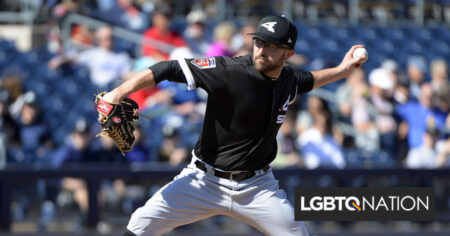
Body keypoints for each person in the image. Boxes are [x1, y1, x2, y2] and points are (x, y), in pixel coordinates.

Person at [97, 15, 366, 236]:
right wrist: (117, 94)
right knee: (139, 225)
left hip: (257, 187)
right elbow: (167, 68)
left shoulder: (290, 77)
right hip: (203, 180)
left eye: (271, 45)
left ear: (288, 54)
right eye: (259, 42)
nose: (262, 49)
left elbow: (311, 79)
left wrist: (343, 70)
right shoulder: (228, 70)